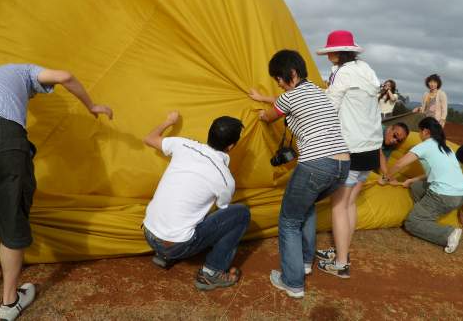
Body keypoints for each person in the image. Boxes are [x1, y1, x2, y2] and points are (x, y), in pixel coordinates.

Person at [0, 64, 113, 320]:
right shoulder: (24, 71)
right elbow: (65, 76)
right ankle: (10, 303)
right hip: (3, 136)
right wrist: (92, 105)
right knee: (12, 220)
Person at [249, 49, 350, 299]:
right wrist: (264, 96)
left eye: (279, 79)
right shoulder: (317, 91)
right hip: (342, 165)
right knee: (306, 208)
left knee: (289, 221)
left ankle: (292, 282)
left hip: (316, 163)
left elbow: (270, 115)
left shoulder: (289, 97)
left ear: (291, 74)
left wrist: (260, 110)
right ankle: (304, 263)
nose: (279, 84)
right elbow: (284, 101)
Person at [142, 111, 250, 291]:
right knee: (241, 214)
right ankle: (211, 273)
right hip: (176, 245)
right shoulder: (225, 179)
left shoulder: (183, 144)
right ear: (231, 146)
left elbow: (149, 138)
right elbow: (221, 208)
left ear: (209, 132)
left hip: (148, 233)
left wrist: (168, 121)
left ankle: (164, 254)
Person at [314, 30, 383, 278]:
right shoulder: (366, 69)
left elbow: (329, 107)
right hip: (371, 146)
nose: (328, 54)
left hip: (351, 147)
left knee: (339, 206)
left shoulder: (341, 73)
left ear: (338, 53)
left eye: (330, 51)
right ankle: (341, 251)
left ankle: (341, 263)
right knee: (350, 203)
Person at [387, 117, 463, 253]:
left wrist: (385, 178)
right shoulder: (446, 148)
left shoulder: (425, 145)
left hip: (443, 195)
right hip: (461, 195)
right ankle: (425, 212)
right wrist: (412, 180)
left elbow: (400, 164)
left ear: (425, 131)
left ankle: (448, 234)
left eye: (419, 131)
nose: (418, 134)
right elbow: (434, 172)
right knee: (416, 187)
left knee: (412, 222)